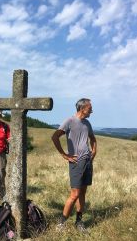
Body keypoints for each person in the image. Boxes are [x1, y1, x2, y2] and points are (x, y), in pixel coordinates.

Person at [51, 98, 97, 233]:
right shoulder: (70, 121)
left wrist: (94, 151)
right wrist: (65, 155)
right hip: (76, 162)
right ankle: (61, 223)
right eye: (90, 108)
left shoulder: (87, 123)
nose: (92, 110)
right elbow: (55, 137)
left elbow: (93, 138)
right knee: (75, 194)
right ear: (82, 108)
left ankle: (79, 221)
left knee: (82, 193)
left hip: (87, 161)